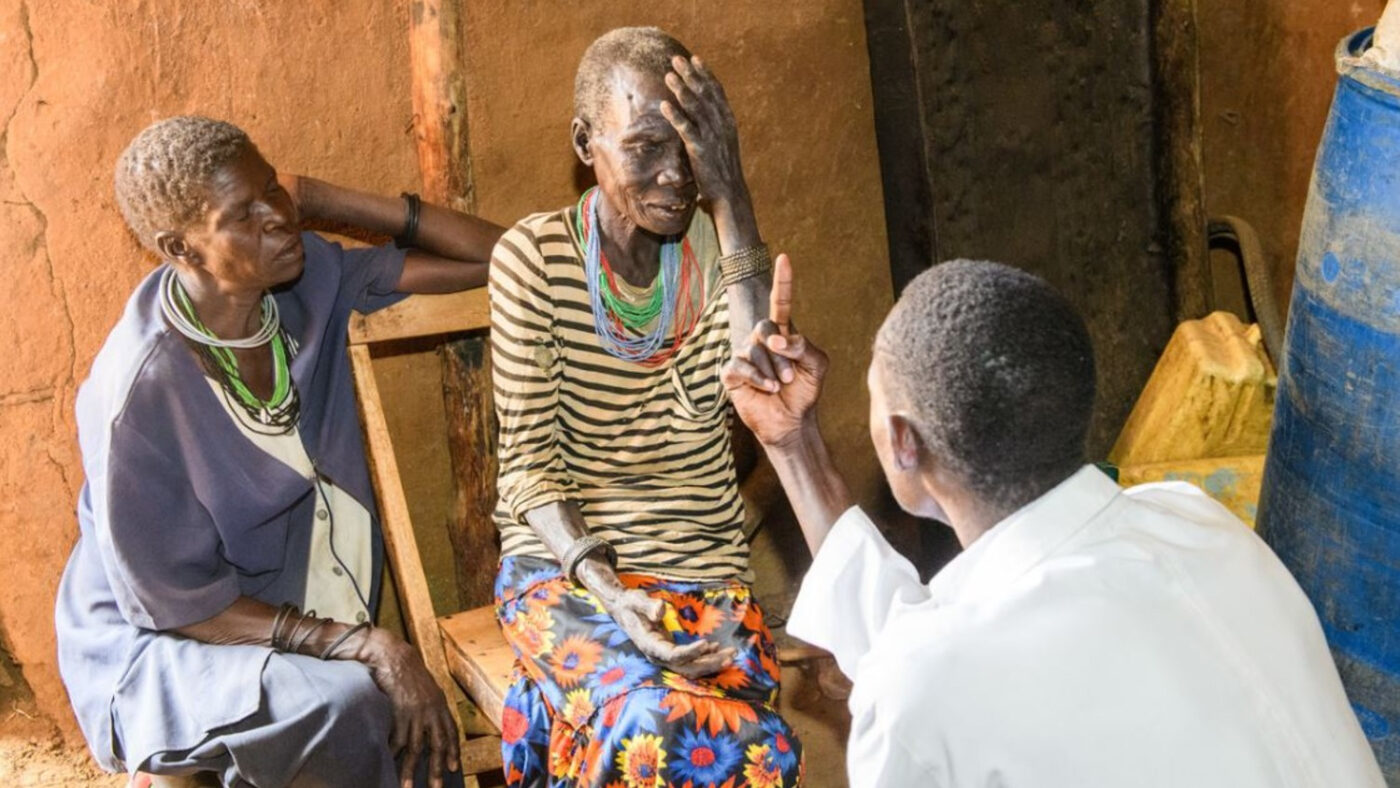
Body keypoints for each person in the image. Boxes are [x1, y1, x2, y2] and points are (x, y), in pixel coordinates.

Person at [722, 257, 1386, 786]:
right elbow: (929, 656)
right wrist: (793, 444)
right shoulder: (1195, 522)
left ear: (903, 440)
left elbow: (928, 683)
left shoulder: (927, 692)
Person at [55, 115, 504, 788]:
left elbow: (501, 257)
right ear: (183, 247)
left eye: (274, 190)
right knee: (345, 701)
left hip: (278, 615)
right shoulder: (139, 396)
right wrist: (365, 644)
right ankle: (179, 763)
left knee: (374, 726)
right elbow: (182, 606)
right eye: (243, 213)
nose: (276, 218)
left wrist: (327, 200)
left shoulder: (305, 286)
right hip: (167, 637)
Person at [487, 27, 804, 788]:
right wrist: (617, 599)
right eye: (644, 148)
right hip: (570, 573)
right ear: (585, 141)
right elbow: (530, 470)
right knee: (654, 725)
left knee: (753, 746)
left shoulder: (724, 261)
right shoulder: (533, 259)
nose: (674, 175)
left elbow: (756, 395)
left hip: (704, 573)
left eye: (694, 148)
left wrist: (735, 200)